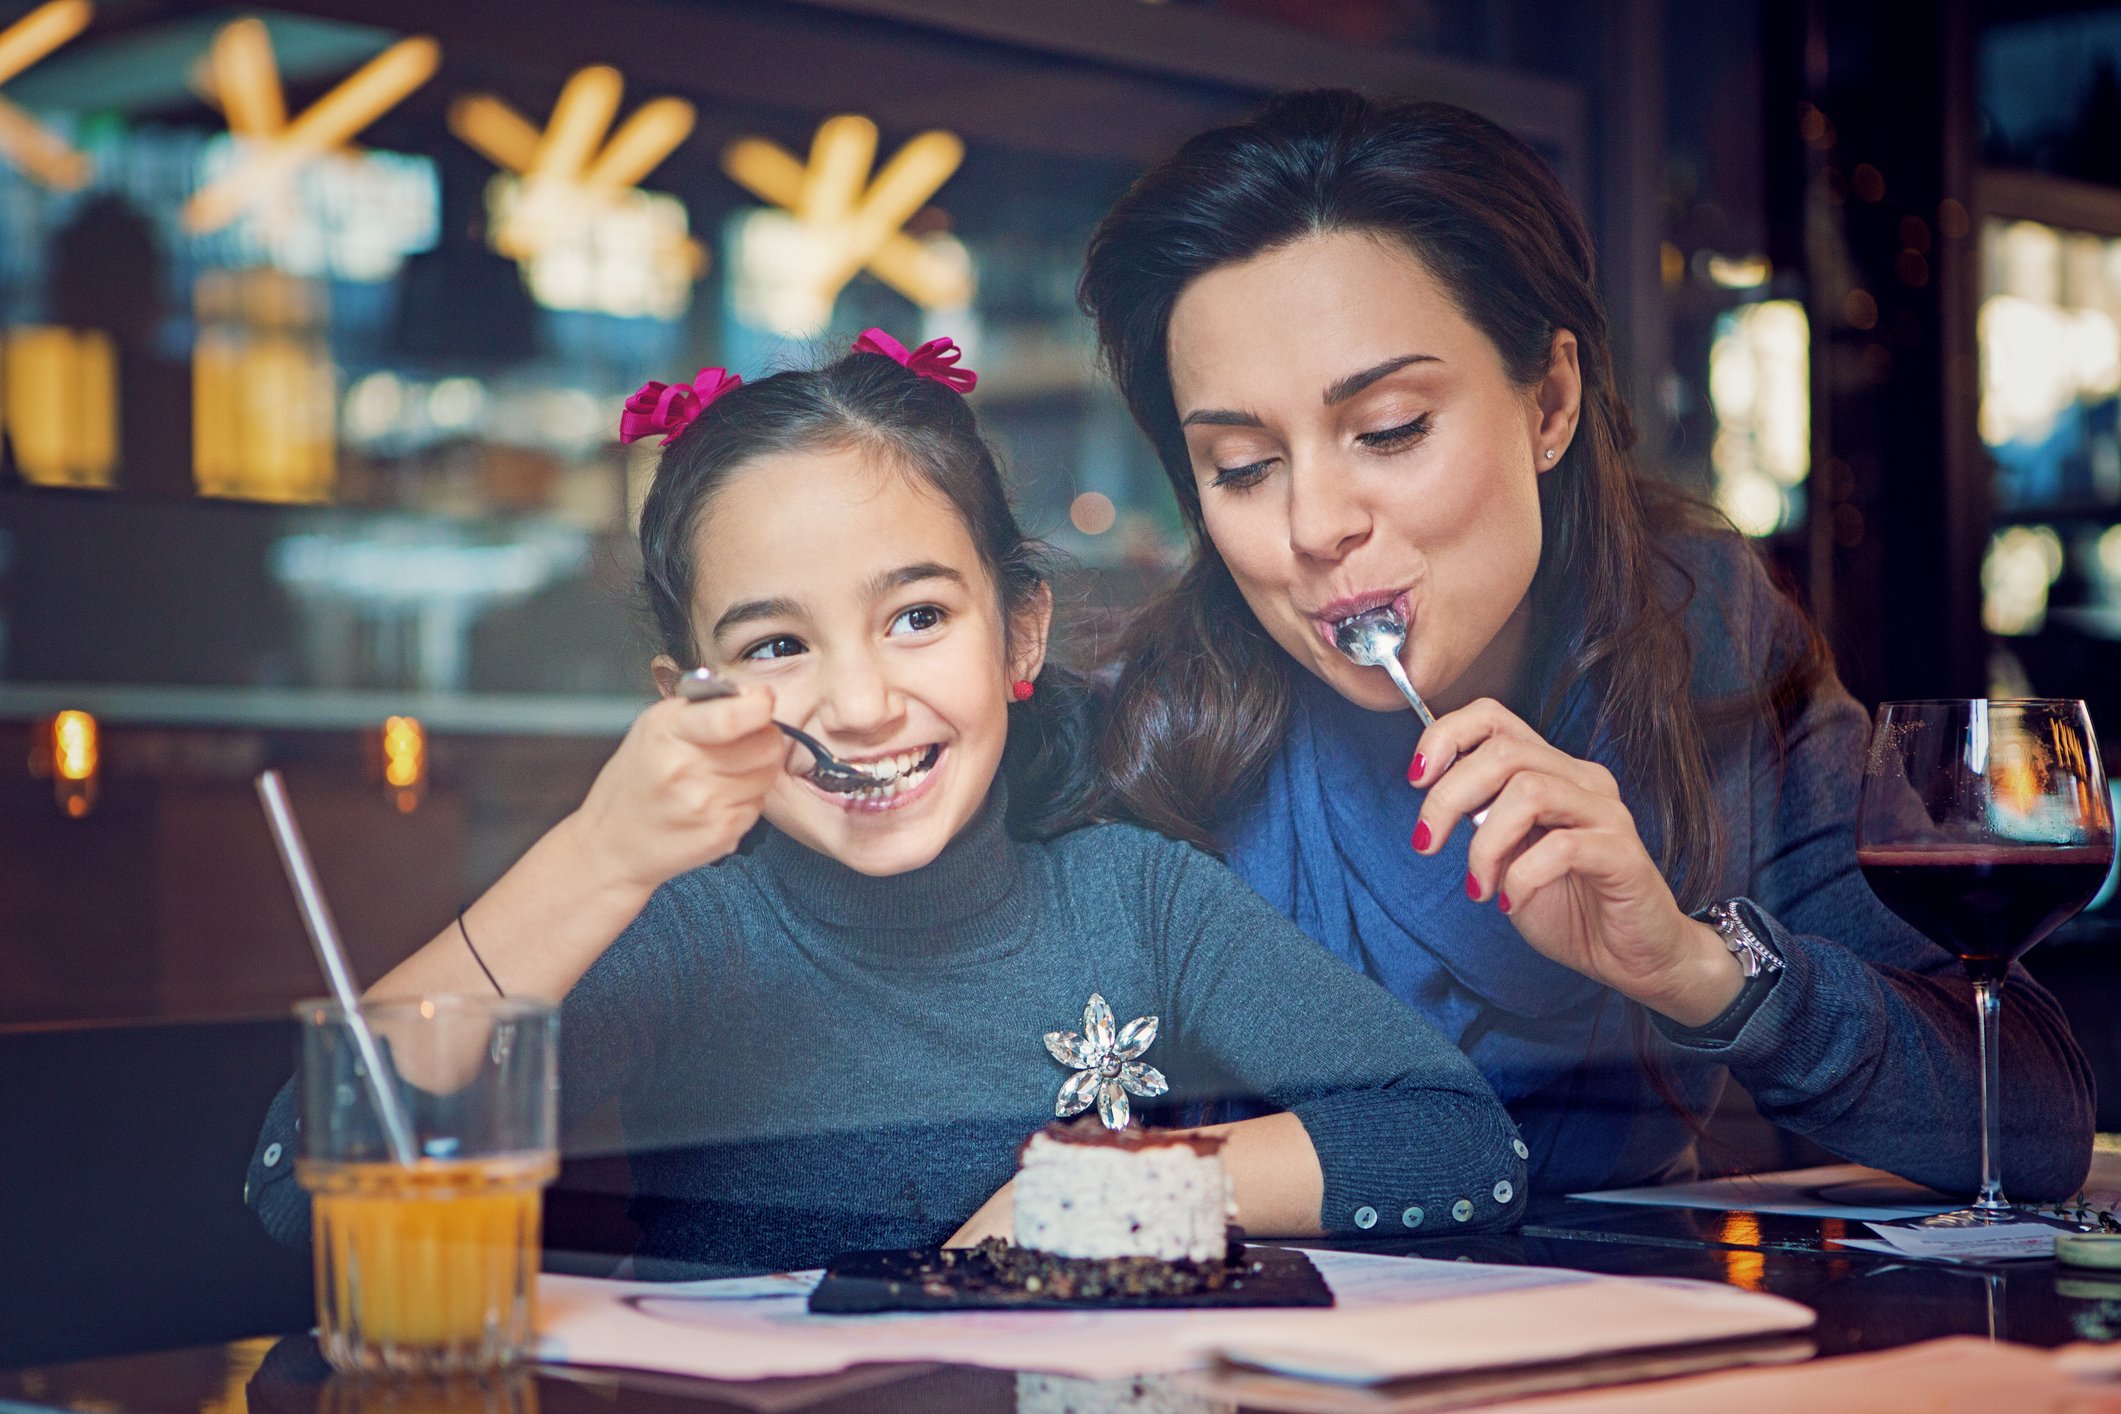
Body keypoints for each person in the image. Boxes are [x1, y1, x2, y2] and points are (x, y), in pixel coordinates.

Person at [246, 330, 1528, 1275]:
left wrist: (1089, 1192)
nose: (860, 704)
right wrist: (598, 856)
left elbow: (1457, 1142)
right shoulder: (682, 934)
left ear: (1019, 633)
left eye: (917, 617)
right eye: (776, 646)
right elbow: (301, 1191)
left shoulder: (1138, 904)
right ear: (688, 697)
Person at [1078, 91, 2095, 1200]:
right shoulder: (1129, 752)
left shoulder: (1701, 636)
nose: (1315, 525)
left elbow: (2029, 1126)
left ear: (1551, 402)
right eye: (1240, 467)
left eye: (1389, 430)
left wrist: (1694, 965)